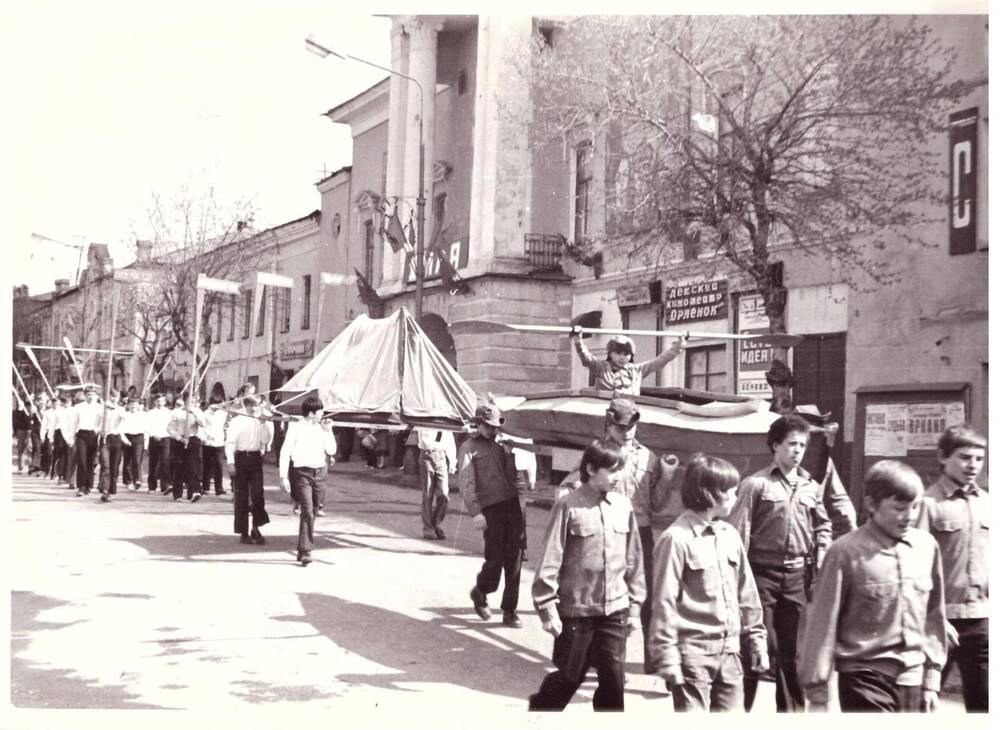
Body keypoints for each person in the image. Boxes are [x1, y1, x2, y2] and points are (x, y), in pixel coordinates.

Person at [799, 460, 947, 712]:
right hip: (864, 678)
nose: (909, 516)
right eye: (899, 508)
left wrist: (931, 680)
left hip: (913, 678)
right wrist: (818, 694)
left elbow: (934, 617)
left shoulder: (927, 547)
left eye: (914, 507)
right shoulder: (844, 552)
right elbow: (822, 626)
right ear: (871, 504)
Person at [724, 413, 831, 712]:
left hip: (796, 577)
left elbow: (822, 524)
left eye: (802, 445)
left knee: (793, 655)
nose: (797, 450)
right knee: (757, 650)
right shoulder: (755, 485)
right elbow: (737, 535)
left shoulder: (810, 485)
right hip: (760, 577)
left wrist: (822, 547)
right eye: (791, 444)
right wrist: (736, 584)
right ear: (775, 446)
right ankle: (736, 713)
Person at [528, 439, 645, 711]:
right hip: (576, 611)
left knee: (613, 682)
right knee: (570, 677)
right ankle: (538, 714)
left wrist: (636, 608)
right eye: (613, 470)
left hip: (615, 610)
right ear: (591, 469)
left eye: (621, 470)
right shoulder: (568, 506)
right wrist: (547, 610)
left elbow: (634, 561)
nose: (619, 477)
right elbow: (550, 560)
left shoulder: (623, 507)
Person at [648, 453, 768, 711]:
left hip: (730, 652)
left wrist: (757, 640)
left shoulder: (730, 535)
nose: (736, 499)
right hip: (693, 655)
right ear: (712, 494)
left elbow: (747, 593)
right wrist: (666, 655)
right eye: (732, 492)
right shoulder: (676, 539)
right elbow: (663, 603)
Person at [601, 398, 678, 673]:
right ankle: (612, 662)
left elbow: (658, 505)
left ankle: (654, 660)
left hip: (642, 532)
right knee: (611, 599)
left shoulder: (649, 457)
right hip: (608, 532)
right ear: (609, 425)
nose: (627, 432)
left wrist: (667, 476)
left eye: (632, 426)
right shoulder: (597, 454)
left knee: (648, 597)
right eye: (621, 427)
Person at [915, 425, 988, 712]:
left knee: (984, 703)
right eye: (965, 457)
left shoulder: (988, 504)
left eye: (979, 459)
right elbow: (916, 566)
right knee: (922, 702)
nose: (973, 466)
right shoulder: (927, 504)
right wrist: (931, 616)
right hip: (937, 621)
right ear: (943, 457)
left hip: (980, 619)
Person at [458, 403, 524, 628]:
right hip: (490, 508)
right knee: (495, 559)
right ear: (478, 423)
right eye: (488, 426)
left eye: (495, 426)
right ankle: (481, 590)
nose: (492, 430)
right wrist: (475, 512)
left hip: (512, 504)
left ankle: (510, 610)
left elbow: (512, 477)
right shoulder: (468, 447)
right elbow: (466, 482)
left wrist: (509, 456)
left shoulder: (502, 445)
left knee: (515, 558)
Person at [279, 397, 337, 566]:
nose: (323, 414)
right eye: (320, 412)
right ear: (311, 413)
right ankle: (306, 550)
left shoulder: (322, 428)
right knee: (307, 510)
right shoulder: (296, 428)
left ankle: (302, 546)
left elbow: (332, 450)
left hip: (320, 472)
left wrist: (329, 431)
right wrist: (284, 477)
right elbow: (285, 452)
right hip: (302, 473)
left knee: (314, 509)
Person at [570, 329, 685, 395]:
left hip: (629, 413)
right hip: (605, 411)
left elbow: (660, 361)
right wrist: (578, 341)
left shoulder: (637, 370)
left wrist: (679, 346)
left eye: (626, 354)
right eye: (618, 353)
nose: (622, 358)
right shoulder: (601, 367)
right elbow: (586, 357)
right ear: (610, 353)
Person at [226, 396, 270, 545]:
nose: (259, 408)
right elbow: (230, 442)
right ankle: (243, 532)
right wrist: (231, 462)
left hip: (256, 458)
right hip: (241, 458)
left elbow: (265, 440)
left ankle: (256, 528)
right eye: (257, 405)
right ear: (249, 405)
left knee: (258, 494)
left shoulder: (259, 421)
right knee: (242, 496)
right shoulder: (237, 421)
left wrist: (264, 424)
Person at [417, 427, 456, 540]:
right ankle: (428, 528)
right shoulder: (426, 421)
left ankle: (436, 523)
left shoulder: (445, 423)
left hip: (441, 457)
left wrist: (452, 461)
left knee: (444, 493)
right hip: (427, 455)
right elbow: (424, 439)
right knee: (428, 494)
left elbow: (450, 441)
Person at [97, 389, 128, 502]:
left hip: (116, 439)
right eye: (111, 397)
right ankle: (105, 491)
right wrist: (100, 430)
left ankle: (109, 490)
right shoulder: (102, 409)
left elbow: (126, 419)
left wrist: (117, 410)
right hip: (105, 439)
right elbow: (96, 425)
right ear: (108, 397)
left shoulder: (121, 409)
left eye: (115, 397)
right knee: (106, 466)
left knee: (114, 467)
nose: (113, 399)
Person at [73, 385, 103, 496]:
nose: (91, 396)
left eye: (93, 394)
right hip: (81, 434)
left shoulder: (100, 407)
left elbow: (102, 422)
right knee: (81, 460)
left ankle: (88, 486)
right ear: (84, 395)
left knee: (91, 461)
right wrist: (72, 436)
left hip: (93, 435)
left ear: (96, 396)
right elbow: (74, 422)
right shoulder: (78, 407)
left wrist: (98, 429)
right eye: (89, 394)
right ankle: (80, 486)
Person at [145, 392, 172, 493]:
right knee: (153, 463)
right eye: (158, 401)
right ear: (155, 402)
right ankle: (152, 486)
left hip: (165, 438)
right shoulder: (150, 413)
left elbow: (171, 426)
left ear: (165, 402)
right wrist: (153, 434)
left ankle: (165, 485)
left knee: (165, 462)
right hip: (154, 439)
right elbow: (147, 426)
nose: (160, 403)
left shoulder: (169, 413)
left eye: (162, 401)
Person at [201, 394, 228, 496]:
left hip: (219, 442)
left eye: (219, 404)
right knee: (207, 465)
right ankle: (205, 487)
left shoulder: (223, 413)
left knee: (219, 465)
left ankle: (219, 488)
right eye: (215, 404)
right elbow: (202, 427)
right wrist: (204, 438)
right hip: (207, 443)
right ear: (211, 404)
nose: (217, 406)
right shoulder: (206, 413)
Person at [119, 398, 147, 490]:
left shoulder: (142, 415)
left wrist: (146, 442)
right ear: (128, 405)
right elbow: (121, 428)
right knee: (127, 460)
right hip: (127, 436)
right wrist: (125, 440)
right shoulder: (125, 415)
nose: (133, 406)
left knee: (137, 459)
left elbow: (146, 429)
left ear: (138, 405)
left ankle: (138, 480)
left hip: (138, 437)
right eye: (131, 404)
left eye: (135, 404)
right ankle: (128, 481)